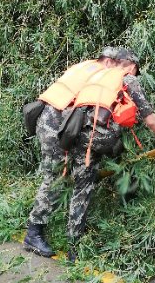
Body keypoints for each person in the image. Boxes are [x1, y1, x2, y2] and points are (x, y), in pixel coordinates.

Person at [26, 47, 155, 262]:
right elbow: (150, 120)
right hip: (67, 129)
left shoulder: (92, 72)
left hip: (72, 129)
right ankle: (43, 235)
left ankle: (73, 243)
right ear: (132, 67)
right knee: (61, 179)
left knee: (81, 179)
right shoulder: (124, 78)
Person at [24, 46, 120, 256]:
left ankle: (59, 233)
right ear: (109, 62)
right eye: (117, 66)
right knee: (55, 178)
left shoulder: (85, 66)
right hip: (54, 123)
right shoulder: (100, 74)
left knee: (61, 176)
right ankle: (34, 233)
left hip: (49, 118)